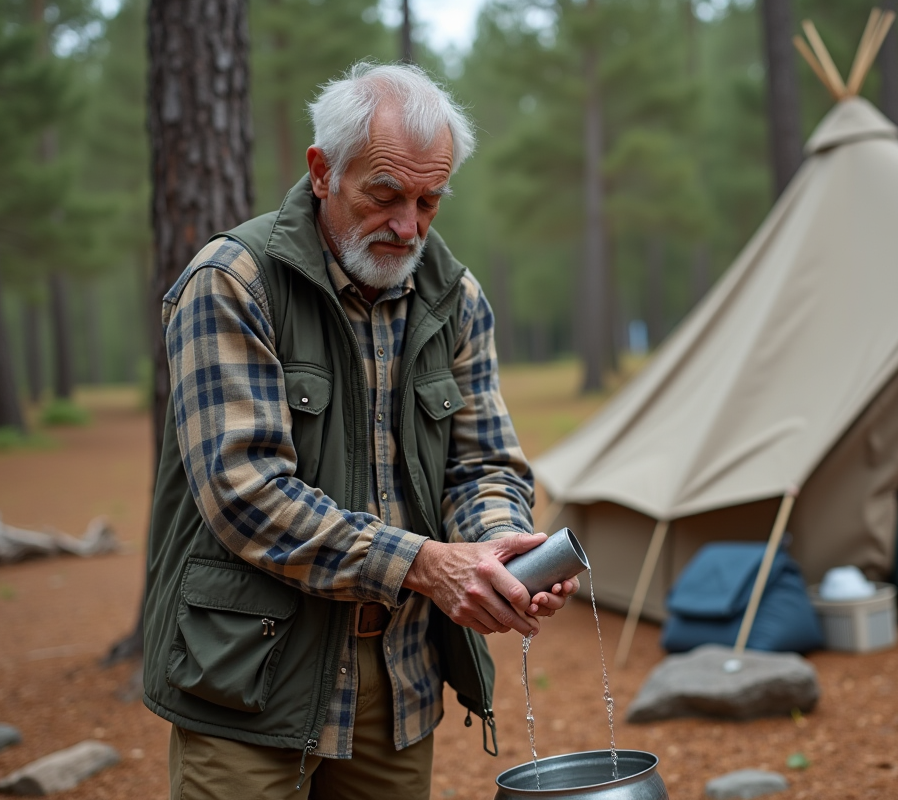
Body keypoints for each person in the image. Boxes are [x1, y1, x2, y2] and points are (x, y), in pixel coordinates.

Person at [140, 61, 578, 800]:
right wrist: (431, 566)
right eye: (385, 195)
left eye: (429, 201)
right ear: (321, 171)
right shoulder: (232, 282)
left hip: (401, 682)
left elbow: (484, 465)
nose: (408, 226)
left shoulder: (455, 297)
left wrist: (501, 550)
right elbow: (245, 491)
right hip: (251, 680)